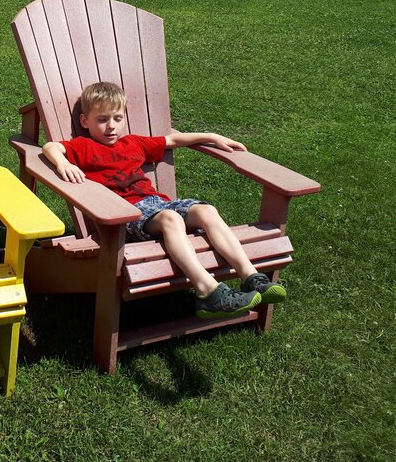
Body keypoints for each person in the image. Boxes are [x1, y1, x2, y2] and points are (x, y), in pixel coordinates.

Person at [41, 81, 286, 318]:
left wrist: (211, 135)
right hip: (124, 214)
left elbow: (172, 140)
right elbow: (50, 147)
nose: (111, 127)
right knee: (170, 218)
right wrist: (62, 161)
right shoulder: (83, 146)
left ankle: (253, 278)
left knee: (206, 210)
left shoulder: (133, 142)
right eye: (102, 120)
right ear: (84, 121)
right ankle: (207, 292)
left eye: (117, 118)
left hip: (156, 204)